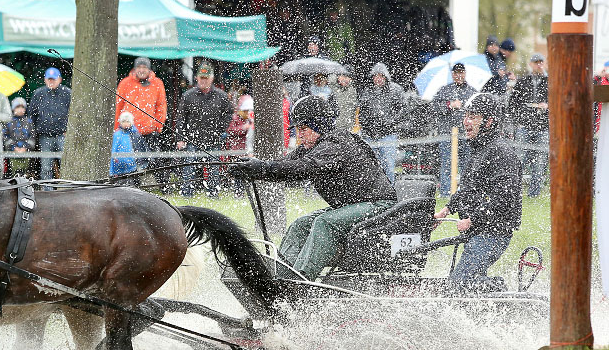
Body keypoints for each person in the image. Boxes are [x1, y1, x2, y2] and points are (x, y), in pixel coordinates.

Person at [229, 95, 397, 280]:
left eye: (304, 128)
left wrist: (261, 168)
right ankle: (279, 276)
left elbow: (303, 168)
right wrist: (255, 169)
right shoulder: (312, 147)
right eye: (298, 129)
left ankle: (300, 281)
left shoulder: (335, 144)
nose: (299, 135)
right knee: (300, 225)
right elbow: (284, 165)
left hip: (379, 205)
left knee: (324, 223)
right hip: (354, 206)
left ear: (319, 126)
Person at [434, 93, 521, 288]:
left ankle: (500, 290)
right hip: (479, 231)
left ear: (489, 122)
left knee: (459, 283)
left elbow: (504, 199)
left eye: (473, 116)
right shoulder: (479, 150)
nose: (465, 122)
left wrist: (472, 219)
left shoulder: (502, 153)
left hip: (494, 233)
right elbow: (467, 189)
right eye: (465, 115)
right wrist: (445, 210)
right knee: (468, 283)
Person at [175, 61, 233, 196]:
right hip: (192, 138)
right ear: (197, 78)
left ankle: (213, 193)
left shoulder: (221, 96)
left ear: (212, 79)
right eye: (201, 78)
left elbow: (229, 113)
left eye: (206, 78)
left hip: (213, 138)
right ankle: (186, 193)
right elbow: (181, 118)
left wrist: (220, 129)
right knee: (188, 168)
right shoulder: (188, 95)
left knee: (213, 169)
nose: (203, 81)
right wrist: (181, 138)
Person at [114, 56, 167, 184]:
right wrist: (117, 128)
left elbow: (161, 106)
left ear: (149, 69)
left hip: (150, 130)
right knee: (132, 160)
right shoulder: (125, 83)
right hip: (129, 130)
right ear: (135, 68)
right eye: (139, 67)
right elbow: (118, 106)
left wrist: (158, 126)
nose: (141, 70)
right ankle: (134, 186)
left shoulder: (157, 83)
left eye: (144, 67)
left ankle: (164, 186)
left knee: (156, 159)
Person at [432, 62, 477, 197]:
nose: (459, 75)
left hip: (466, 134)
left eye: (461, 72)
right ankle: (446, 192)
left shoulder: (472, 92)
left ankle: (464, 192)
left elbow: (478, 111)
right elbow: (435, 107)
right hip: (447, 134)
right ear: (452, 74)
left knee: (466, 164)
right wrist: (450, 105)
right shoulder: (444, 90)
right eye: (456, 73)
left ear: (465, 73)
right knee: (447, 164)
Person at [509, 53, 549, 197]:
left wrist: (547, 106)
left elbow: (558, 103)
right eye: (536, 62)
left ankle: (534, 193)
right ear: (531, 64)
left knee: (539, 162)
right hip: (524, 127)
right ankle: (516, 192)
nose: (539, 65)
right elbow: (513, 104)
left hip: (543, 127)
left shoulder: (550, 81)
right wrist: (519, 119)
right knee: (519, 160)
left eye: (541, 62)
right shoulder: (523, 81)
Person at [358, 62, 405, 182]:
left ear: (386, 77)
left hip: (388, 135)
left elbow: (403, 111)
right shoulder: (368, 92)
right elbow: (362, 113)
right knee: (370, 166)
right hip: (370, 135)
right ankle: (374, 192)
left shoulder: (396, 90)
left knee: (388, 165)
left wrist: (390, 122)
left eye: (380, 76)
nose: (378, 79)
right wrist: (367, 128)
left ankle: (390, 193)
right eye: (375, 76)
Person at [29, 67, 71, 180]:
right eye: (49, 79)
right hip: (45, 136)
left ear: (60, 79)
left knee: (66, 165)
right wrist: (35, 133)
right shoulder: (38, 94)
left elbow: (74, 114)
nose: (51, 81)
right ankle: (48, 191)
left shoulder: (67, 93)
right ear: (45, 80)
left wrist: (69, 131)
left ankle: (67, 188)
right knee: (46, 167)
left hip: (62, 135)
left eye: (54, 79)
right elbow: (32, 115)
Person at [2, 97, 35, 178]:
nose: (20, 109)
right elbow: (5, 136)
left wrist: (25, 147)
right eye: (18, 107)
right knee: (14, 172)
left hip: (26, 152)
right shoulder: (8, 121)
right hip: (12, 153)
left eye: (22, 107)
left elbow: (33, 136)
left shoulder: (29, 122)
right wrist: (14, 147)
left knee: (24, 172)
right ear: (13, 109)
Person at [110, 111, 148, 180]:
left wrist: (142, 165)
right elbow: (113, 150)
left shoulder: (135, 135)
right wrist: (112, 171)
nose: (125, 124)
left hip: (133, 168)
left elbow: (141, 149)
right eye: (123, 121)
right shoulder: (117, 135)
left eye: (127, 121)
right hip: (119, 169)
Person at [330, 68, 358, 133]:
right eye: (344, 76)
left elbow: (354, 110)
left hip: (348, 128)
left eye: (348, 77)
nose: (345, 79)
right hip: (334, 128)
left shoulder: (352, 90)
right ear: (338, 76)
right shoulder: (330, 88)